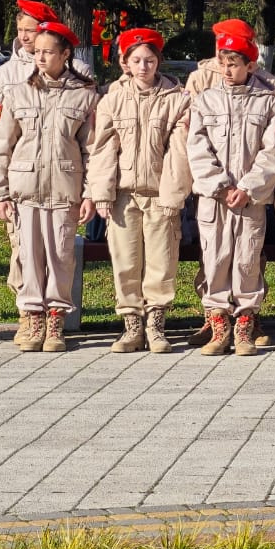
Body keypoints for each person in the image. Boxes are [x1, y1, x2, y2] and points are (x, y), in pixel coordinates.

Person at [0, 0, 91, 345]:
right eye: (35, 49)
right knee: (27, 254)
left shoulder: (84, 92)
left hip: (64, 188)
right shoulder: (17, 89)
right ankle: (31, 317)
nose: (38, 56)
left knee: (60, 255)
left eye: (46, 51)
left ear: (64, 54)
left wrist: (90, 193)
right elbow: (1, 144)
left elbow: (93, 150)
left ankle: (55, 319)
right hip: (25, 188)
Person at [86, 28, 192, 354]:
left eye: (149, 59)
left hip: (160, 193)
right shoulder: (112, 100)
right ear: (125, 63)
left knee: (161, 262)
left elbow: (180, 152)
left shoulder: (178, 100)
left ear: (158, 61)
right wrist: (101, 193)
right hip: (123, 195)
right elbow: (102, 149)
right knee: (126, 261)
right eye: (136, 60)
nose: (143, 66)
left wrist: (173, 195)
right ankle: (131, 324)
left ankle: (156, 324)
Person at [186, 30, 275, 356]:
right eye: (223, 63)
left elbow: (272, 152)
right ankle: (218, 325)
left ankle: (244, 324)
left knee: (247, 259)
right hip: (214, 198)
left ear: (250, 66)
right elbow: (197, 149)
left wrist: (247, 187)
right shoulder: (205, 101)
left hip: (249, 199)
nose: (227, 70)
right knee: (215, 258)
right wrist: (220, 185)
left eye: (234, 64)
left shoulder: (268, 103)